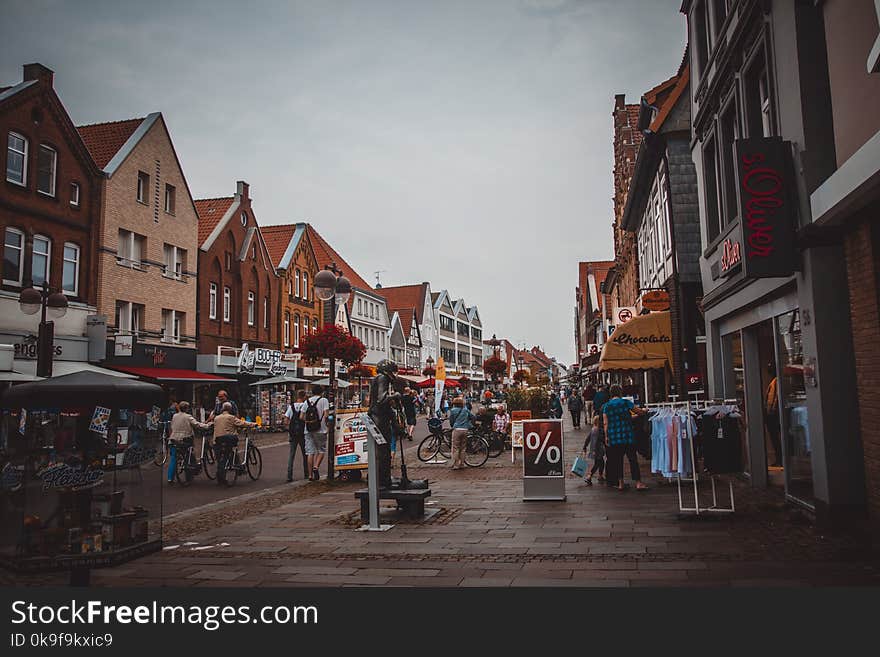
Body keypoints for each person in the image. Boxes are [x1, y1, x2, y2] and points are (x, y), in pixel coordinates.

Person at [603, 384, 648, 491]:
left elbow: (606, 423)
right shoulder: (625, 402)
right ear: (620, 392)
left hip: (614, 436)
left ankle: (620, 483)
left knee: (618, 460)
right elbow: (638, 411)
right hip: (627, 435)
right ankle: (638, 482)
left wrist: (606, 436)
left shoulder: (607, 406)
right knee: (632, 459)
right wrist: (644, 411)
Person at [368, 359, 400, 489]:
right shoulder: (383, 378)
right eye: (393, 372)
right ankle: (383, 480)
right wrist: (395, 396)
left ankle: (382, 478)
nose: (394, 375)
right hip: (380, 418)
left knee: (382, 450)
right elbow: (382, 400)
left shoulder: (377, 378)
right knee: (384, 450)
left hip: (378, 416)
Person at [212, 402, 257, 486]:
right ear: (230, 409)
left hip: (217, 440)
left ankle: (222, 475)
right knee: (231, 448)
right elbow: (242, 423)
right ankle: (237, 468)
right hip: (229, 439)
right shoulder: (231, 417)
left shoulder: (216, 418)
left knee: (221, 457)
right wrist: (253, 424)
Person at [167, 401, 211, 484]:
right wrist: (207, 425)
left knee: (173, 458)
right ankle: (189, 477)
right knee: (188, 456)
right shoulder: (188, 416)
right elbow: (197, 424)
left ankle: (170, 478)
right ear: (187, 408)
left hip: (173, 439)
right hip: (185, 439)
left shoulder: (174, 416)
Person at [301, 386, 331, 481]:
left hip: (308, 430)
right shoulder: (324, 400)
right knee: (321, 450)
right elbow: (326, 414)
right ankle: (316, 466)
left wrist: (309, 422)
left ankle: (310, 476)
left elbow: (301, 416)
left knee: (310, 452)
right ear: (321, 392)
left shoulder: (307, 402)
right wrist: (327, 424)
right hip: (321, 429)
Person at [284, 390, 309, 482]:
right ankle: (307, 473)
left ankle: (289, 476)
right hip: (303, 433)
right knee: (305, 454)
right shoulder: (305, 406)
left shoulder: (292, 406)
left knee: (291, 455)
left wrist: (289, 427)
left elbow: (286, 419)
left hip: (293, 434)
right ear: (304, 396)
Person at [448, 396, 474, 470]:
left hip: (457, 429)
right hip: (465, 429)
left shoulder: (453, 410)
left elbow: (451, 421)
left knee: (455, 447)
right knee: (463, 448)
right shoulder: (465, 410)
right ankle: (462, 463)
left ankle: (456, 464)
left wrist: (453, 425)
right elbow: (472, 416)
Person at [765, 364, 782, 467]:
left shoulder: (775, 382)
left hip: (773, 414)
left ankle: (780, 458)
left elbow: (773, 399)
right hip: (773, 413)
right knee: (776, 438)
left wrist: (771, 411)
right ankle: (779, 458)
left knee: (776, 438)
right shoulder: (774, 382)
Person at [582, 414, 605, 486]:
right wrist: (594, 451)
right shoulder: (597, 430)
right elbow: (596, 441)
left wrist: (585, 446)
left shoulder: (593, 429)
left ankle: (600, 476)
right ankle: (589, 477)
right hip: (597, 450)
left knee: (601, 462)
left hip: (595, 449)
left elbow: (587, 439)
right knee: (597, 464)